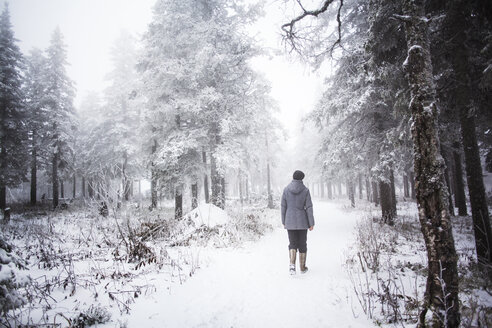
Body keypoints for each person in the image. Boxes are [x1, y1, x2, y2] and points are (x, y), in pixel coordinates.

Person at [281, 170, 315, 275]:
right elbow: (309, 207)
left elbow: (283, 207)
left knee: (292, 243)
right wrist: (311, 223)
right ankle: (302, 267)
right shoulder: (305, 190)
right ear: (302, 178)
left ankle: (292, 266)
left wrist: (284, 221)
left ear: (293, 177)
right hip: (302, 221)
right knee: (302, 243)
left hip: (289, 221)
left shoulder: (286, 190)